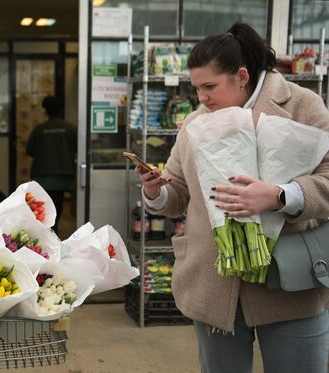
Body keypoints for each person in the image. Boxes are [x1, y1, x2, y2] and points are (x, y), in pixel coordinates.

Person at [137, 22, 329, 373]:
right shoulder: (195, 122)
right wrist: (156, 191)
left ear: (242, 76)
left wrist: (280, 195)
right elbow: (178, 193)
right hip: (215, 284)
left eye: (209, 86)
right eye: (196, 88)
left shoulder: (304, 106)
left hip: (290, 283)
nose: (202, 99)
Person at [26, 96, 77, 234]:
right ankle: (54, 228)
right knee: (58, 202)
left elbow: (29, 150)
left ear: (45, 111)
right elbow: (79, 149)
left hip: (42, 175)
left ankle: (47, 229)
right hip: (63, 175)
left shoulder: (39, 129)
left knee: (43, 203)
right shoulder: (70, 128)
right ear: (60, 110)